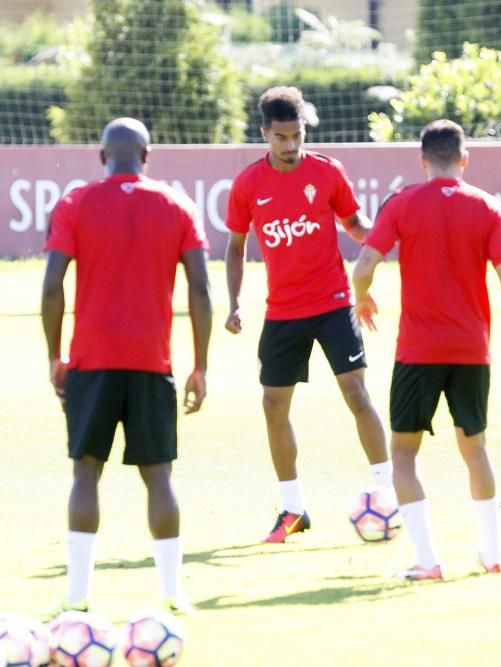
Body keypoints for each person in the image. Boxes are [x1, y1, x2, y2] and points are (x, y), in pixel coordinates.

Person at [352, 119, 501, 581]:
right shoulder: (487, 207)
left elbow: (364, 264)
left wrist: (362, 296)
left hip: (418, 352)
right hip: (471, 351)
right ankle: (492, 552)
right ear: (464, 158)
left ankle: (427, 561)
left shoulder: (402, 203)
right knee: (475, 448)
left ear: (422, 160)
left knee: (402, 455)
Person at [41, 117, 212, 618]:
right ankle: (171, 592)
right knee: (158, 476)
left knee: (85, 473)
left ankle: (76, 594)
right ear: (147, 155)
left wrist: (56, 355)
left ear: (101, 157)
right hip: (151, 362)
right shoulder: (178, 205)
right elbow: (201, 290)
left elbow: (52, 286)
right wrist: (200, 366)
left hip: (91, 361)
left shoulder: (75, 203)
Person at [225, 86, 391, 543]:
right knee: (272, 405)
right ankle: (293, 509)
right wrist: (235, 302)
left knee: (356, 392)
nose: (291, 145)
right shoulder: (247, 186)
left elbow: (353, 223)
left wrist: (379, 240)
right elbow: (236, 248)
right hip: (282, 312)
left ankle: (387, 493)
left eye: (297, 135)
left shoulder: (327, 171)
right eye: (281, 137)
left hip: (333, 302)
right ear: (265, 135)